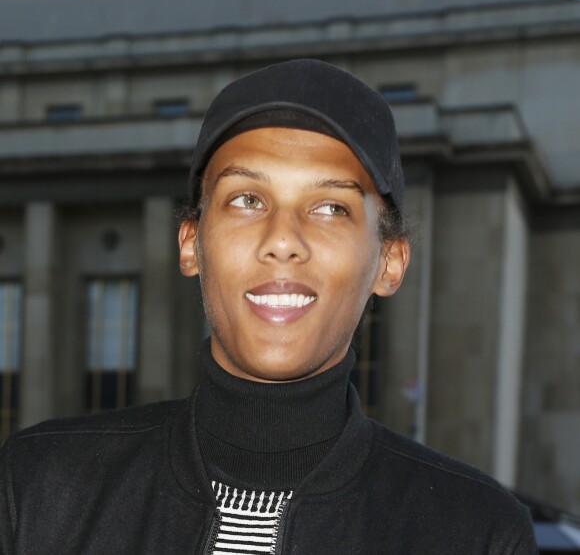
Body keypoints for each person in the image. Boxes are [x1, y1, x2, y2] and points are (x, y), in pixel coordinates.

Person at [0, 60, 537, 554]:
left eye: (330, 207)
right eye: (247, 200)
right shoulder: (38, 490)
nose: (283, 240)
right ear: (191, 243)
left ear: (389, 263)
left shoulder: (477, 533)